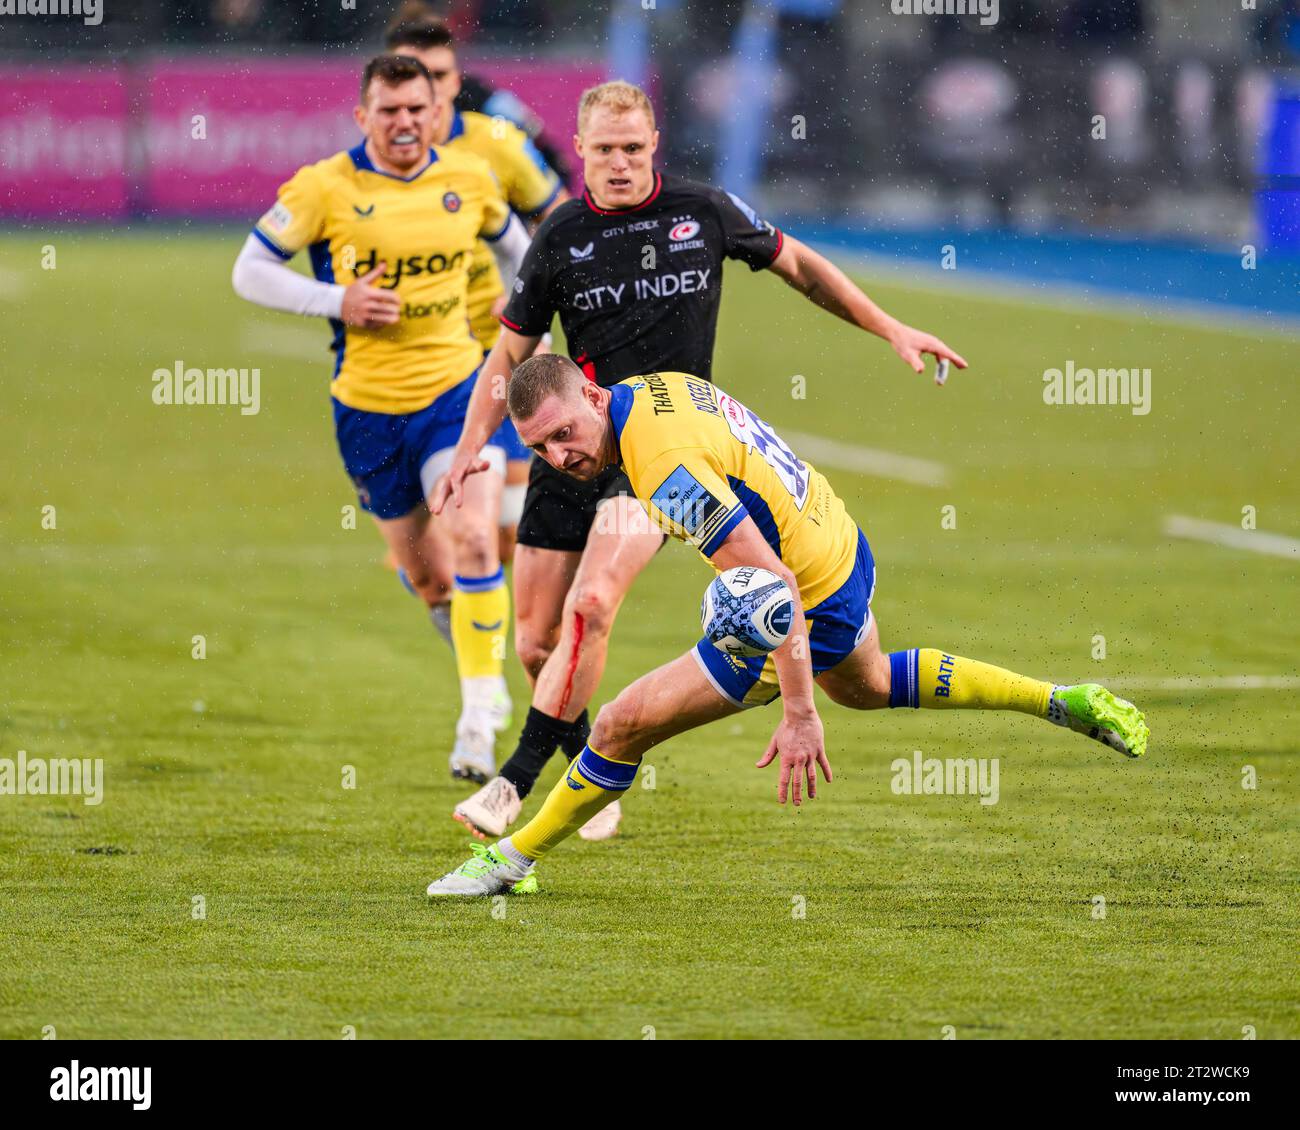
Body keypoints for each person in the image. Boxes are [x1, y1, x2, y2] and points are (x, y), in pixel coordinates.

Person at [432, 80, 967, 843]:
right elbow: (511, 354)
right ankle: (595, 767)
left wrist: (890, 328)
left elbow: (802, 268)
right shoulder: (558, 239)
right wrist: (466, 448)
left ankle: (513, 784)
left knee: (592, 604)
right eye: (604, 150)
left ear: (654, 147)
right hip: (570, 442)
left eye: (633, 149)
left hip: (661, 455)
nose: (618, 163)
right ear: (578, 151)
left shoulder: (702, 211)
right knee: (535, 641)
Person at [426, 359, 1150, 895]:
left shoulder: (664, 466)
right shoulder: (654, 387)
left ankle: (511, 860)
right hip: (836, 538)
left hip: (801, 588)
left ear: (588, 393)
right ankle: (1062, 699)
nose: (558, 457)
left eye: (563, 434)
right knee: (866, 685)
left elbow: (771, 587)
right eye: (541, 449)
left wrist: (799, 709)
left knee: (618, 724)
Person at [231, 55, 531, 782]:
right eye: (387, 110)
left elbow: (526, 255)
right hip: (367, 411)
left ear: (436, 113)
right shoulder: (324, 187)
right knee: (431, 580)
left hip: (457, 397)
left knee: (476, 542)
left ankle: (478, 718)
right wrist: (337, 302)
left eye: (415, 109)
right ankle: (466, 640)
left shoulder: (470, 179)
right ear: (363, 117)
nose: (403, 122)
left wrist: (529, 324)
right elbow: (249, 270)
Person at [383, 9, 569, 567]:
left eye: (439, 75)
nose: (428, 89)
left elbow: (559, 221)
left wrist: (529, 294)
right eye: (412, 75)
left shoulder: (497, 143)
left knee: (508, 535)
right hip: (415, 359)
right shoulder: (368, 166)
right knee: (435, 552)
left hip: (500, 346)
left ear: (457, 80)